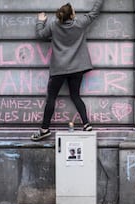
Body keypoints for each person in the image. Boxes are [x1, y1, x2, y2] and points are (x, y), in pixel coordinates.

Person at [31, 0, 104, 141]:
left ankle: (44, 129)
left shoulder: (53, 25)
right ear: (71, 15)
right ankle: (86, 124)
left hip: (59, 69)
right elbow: (94, 13)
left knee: (51, 98)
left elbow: (40, 35)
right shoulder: (80, 23)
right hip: (77, 68)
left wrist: (40, 21)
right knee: (75, 96)